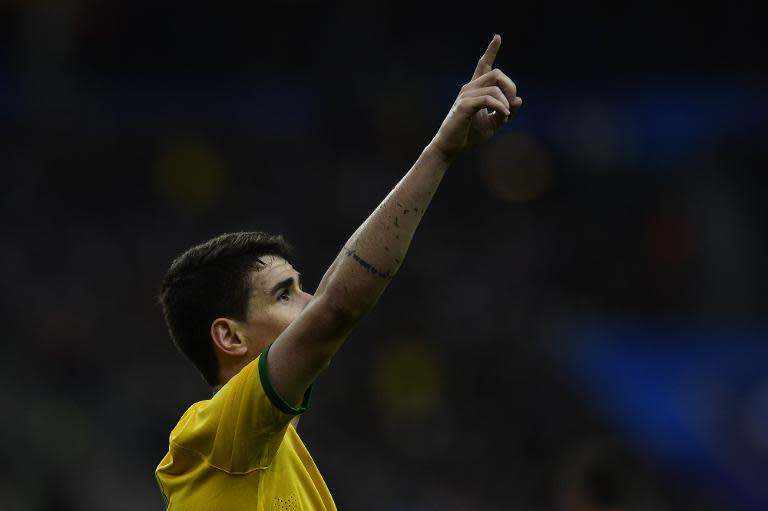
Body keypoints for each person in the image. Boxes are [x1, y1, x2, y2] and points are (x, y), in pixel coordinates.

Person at [155, 34, 522, 509]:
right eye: (285, 294)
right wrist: (440, 152)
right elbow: (338, 305)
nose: (308, 302)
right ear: (229, 337)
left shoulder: (282, 459)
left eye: (301, 288)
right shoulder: (217, 438)